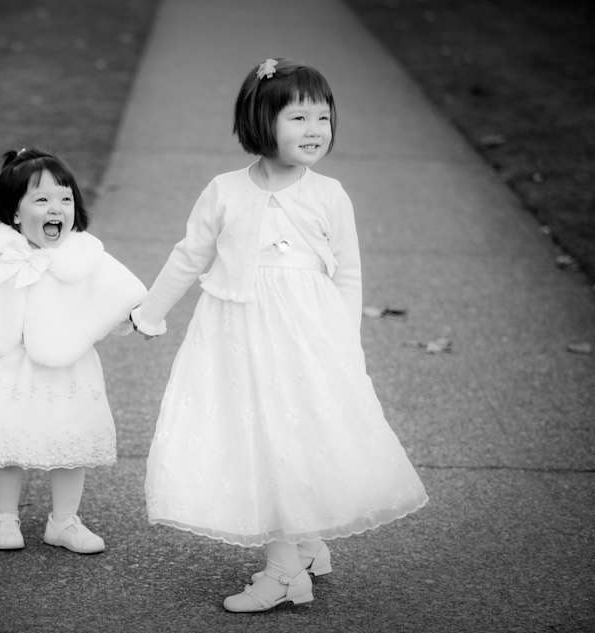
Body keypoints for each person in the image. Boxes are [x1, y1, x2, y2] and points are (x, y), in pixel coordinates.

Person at [130, 58, 429, 612]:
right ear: (261, 122)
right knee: (257, 437)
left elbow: (348, 271)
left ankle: (285, 571)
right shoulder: (223, 190)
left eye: (323, 116)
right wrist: (151, 311)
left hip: (305, 336)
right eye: (299, 117)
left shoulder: (330, 194)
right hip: (234, 334)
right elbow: (189, 255)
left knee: (296, 432)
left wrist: (345, 344)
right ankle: (300, 552)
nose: (315, 129)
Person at [0, 148, 146, 554]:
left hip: (65, 367)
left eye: (65, 199)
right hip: (5, 366)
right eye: (41, 199)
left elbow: (118, 292)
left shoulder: (84, 254)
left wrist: (137, 314)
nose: (56, 209)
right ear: (14, 213)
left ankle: (64, 522)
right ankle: (4, 515)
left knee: (70, 444)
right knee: (6, 443)